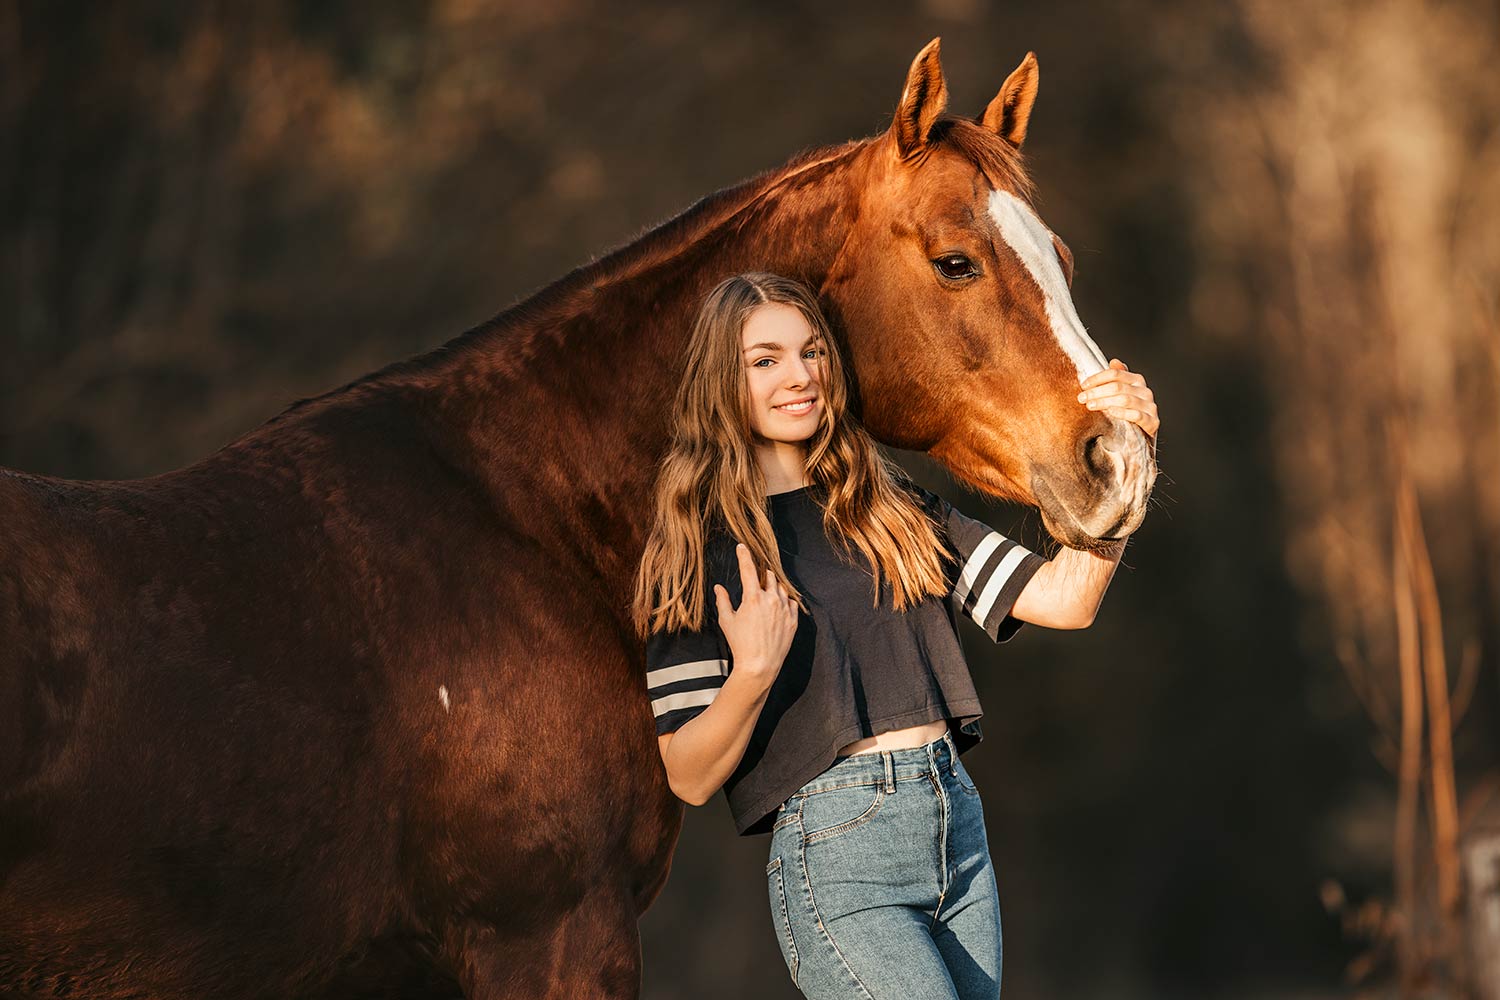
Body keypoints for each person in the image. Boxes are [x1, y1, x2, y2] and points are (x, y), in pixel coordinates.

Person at [631, 272, 1158, 999]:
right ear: (721, 381)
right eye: (766, 360)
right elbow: (687, 774)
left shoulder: (889, 504)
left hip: (956, 829)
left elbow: (1066, 599)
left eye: (811, 352)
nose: (800, 375)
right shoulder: (698, 551)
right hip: (839, 853)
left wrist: (1130, 454)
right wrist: (752, 673)